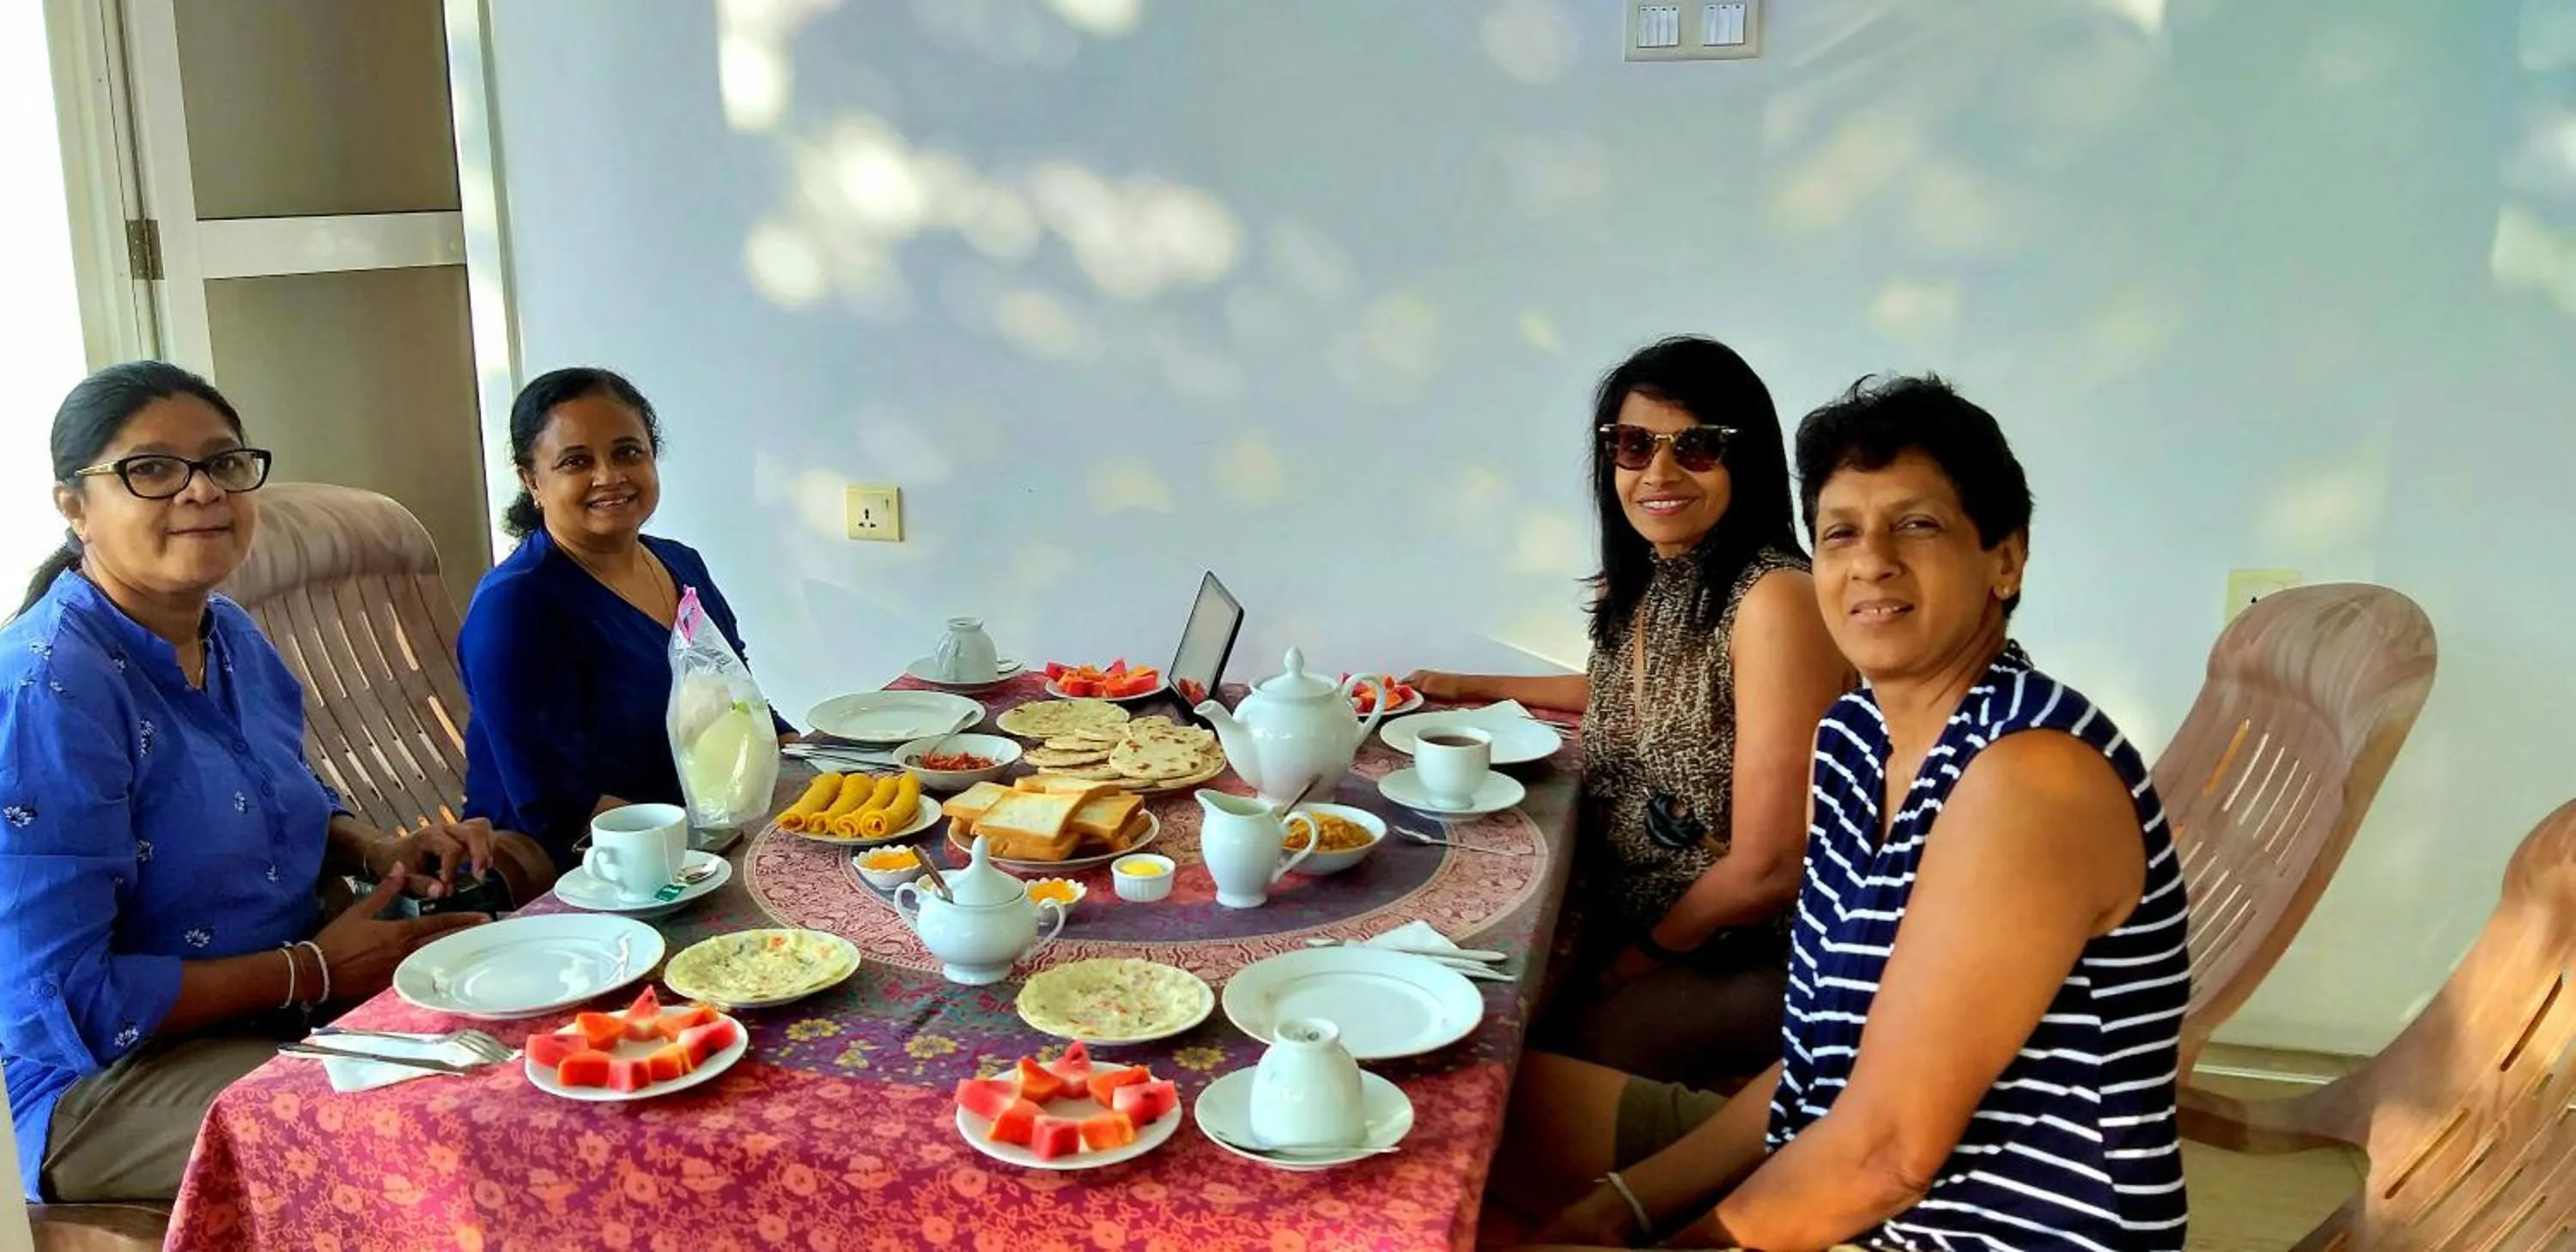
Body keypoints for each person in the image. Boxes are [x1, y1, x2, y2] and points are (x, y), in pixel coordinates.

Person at [1496, 376, 2190, 1250]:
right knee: (1476, 1119)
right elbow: (1822, 1067)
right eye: (1841, 532)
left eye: (1917, 524)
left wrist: (1676, 1244)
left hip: (1972, 1229)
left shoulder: (2031, 780)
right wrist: (1614, 1212)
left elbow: (1889, 1154)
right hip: (1827, 1165)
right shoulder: (1859, 737)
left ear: (2005, 559)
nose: (1871, 562)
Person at [0, 362, 496, 1203]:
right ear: (74, 506)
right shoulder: (48, 691)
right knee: (418, 1144)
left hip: (286, 1011)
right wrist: (311, 970)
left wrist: (379, 850)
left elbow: (278, 793)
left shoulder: (228, 632)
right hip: (107, 1083)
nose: (201, 492)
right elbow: (63, 1000)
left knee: (525, 1053)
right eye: (151, 470)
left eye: (224, 463)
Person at [1407, 337, 1848, 1085]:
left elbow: (1768, 869)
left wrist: (1627, 966)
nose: (1659, 473)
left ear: (1749, 459)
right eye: (1634, 444)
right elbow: (1626, 696)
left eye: (1698, 447)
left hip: (1744, 954)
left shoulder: (1776, 599)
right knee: (1431, 980)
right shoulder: (1655, 576)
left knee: (1494, 1073)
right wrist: (1455, 684)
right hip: (1632, 921)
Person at [459, 367, 793, 869]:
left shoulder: (682, 564)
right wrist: (714, 854)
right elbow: (555, 806)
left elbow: (738, 701)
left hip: (710, 834)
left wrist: (814, 762)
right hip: (589, 871)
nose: (609, 476)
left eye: (627, 452)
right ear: (533, 481)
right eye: (576, 461)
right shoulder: (515, 608)